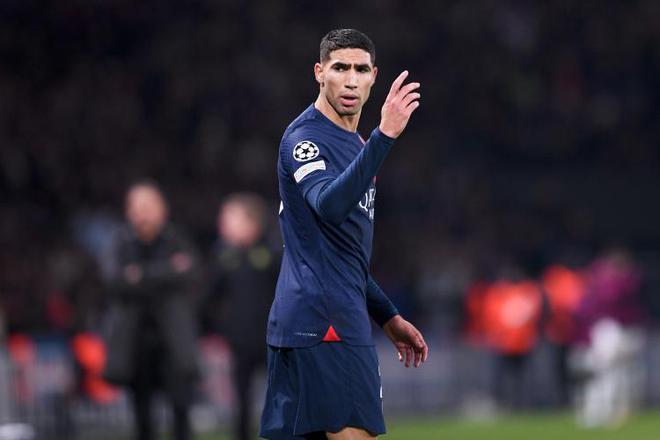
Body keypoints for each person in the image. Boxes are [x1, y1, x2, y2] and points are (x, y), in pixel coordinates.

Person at [259, 29, 428, 440]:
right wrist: (385, 136)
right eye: (339, 68)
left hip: (308, 322)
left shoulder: (354, 144)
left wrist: (387, 315)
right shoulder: (305, 139)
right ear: (319, 73)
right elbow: (330, 207)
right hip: (327, 323)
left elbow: (343, 254)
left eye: (360, 70)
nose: (351, 80)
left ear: (374, 77)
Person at [103, 181, 199, 440]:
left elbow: (191, 274)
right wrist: (168, 271)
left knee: (181, 409)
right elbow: (113, 281)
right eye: (138, 207)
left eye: (149, 206)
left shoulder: (177, 238)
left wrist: (140, 276)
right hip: (135, 343)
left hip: (174, 342)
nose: (143, 214)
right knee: (142, 414)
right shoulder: (120, 242)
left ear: (162, 209)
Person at [205, 193, 279, 440]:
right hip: (240, 341)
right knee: (241, 402)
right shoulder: (224, 257)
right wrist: (215, 330)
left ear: (251, 223)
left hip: (275, 340)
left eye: (229, 219)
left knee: (285, 395)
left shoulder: (273, 252)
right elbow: (208, 298)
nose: (222, 224)